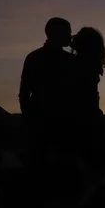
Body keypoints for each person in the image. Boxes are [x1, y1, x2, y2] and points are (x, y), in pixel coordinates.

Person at [19, 17, 74, 168]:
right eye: (68, 32)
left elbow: (23, 93)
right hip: (54, 126)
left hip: (48, 124)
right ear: (57, 33)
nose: (71, 36)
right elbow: (24, 92)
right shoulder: (68, 60)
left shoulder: (34, 57)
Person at [69, 26, 105, 173]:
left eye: (78, 36)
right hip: (90, 117)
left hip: (80, 119)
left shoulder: (76, 63)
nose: (73, 37)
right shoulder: (92, 63)